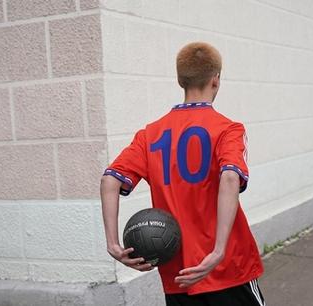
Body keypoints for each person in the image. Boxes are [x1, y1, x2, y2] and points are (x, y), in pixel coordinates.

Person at [101, 42, 266, 306]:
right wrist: (218, 251)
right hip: (228, 269)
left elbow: (110, 179)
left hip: (178, 273)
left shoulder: (150, 134)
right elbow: (231, 177)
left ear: (180, 81)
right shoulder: (228, 129)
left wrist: (113, 245)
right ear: (216, 80)